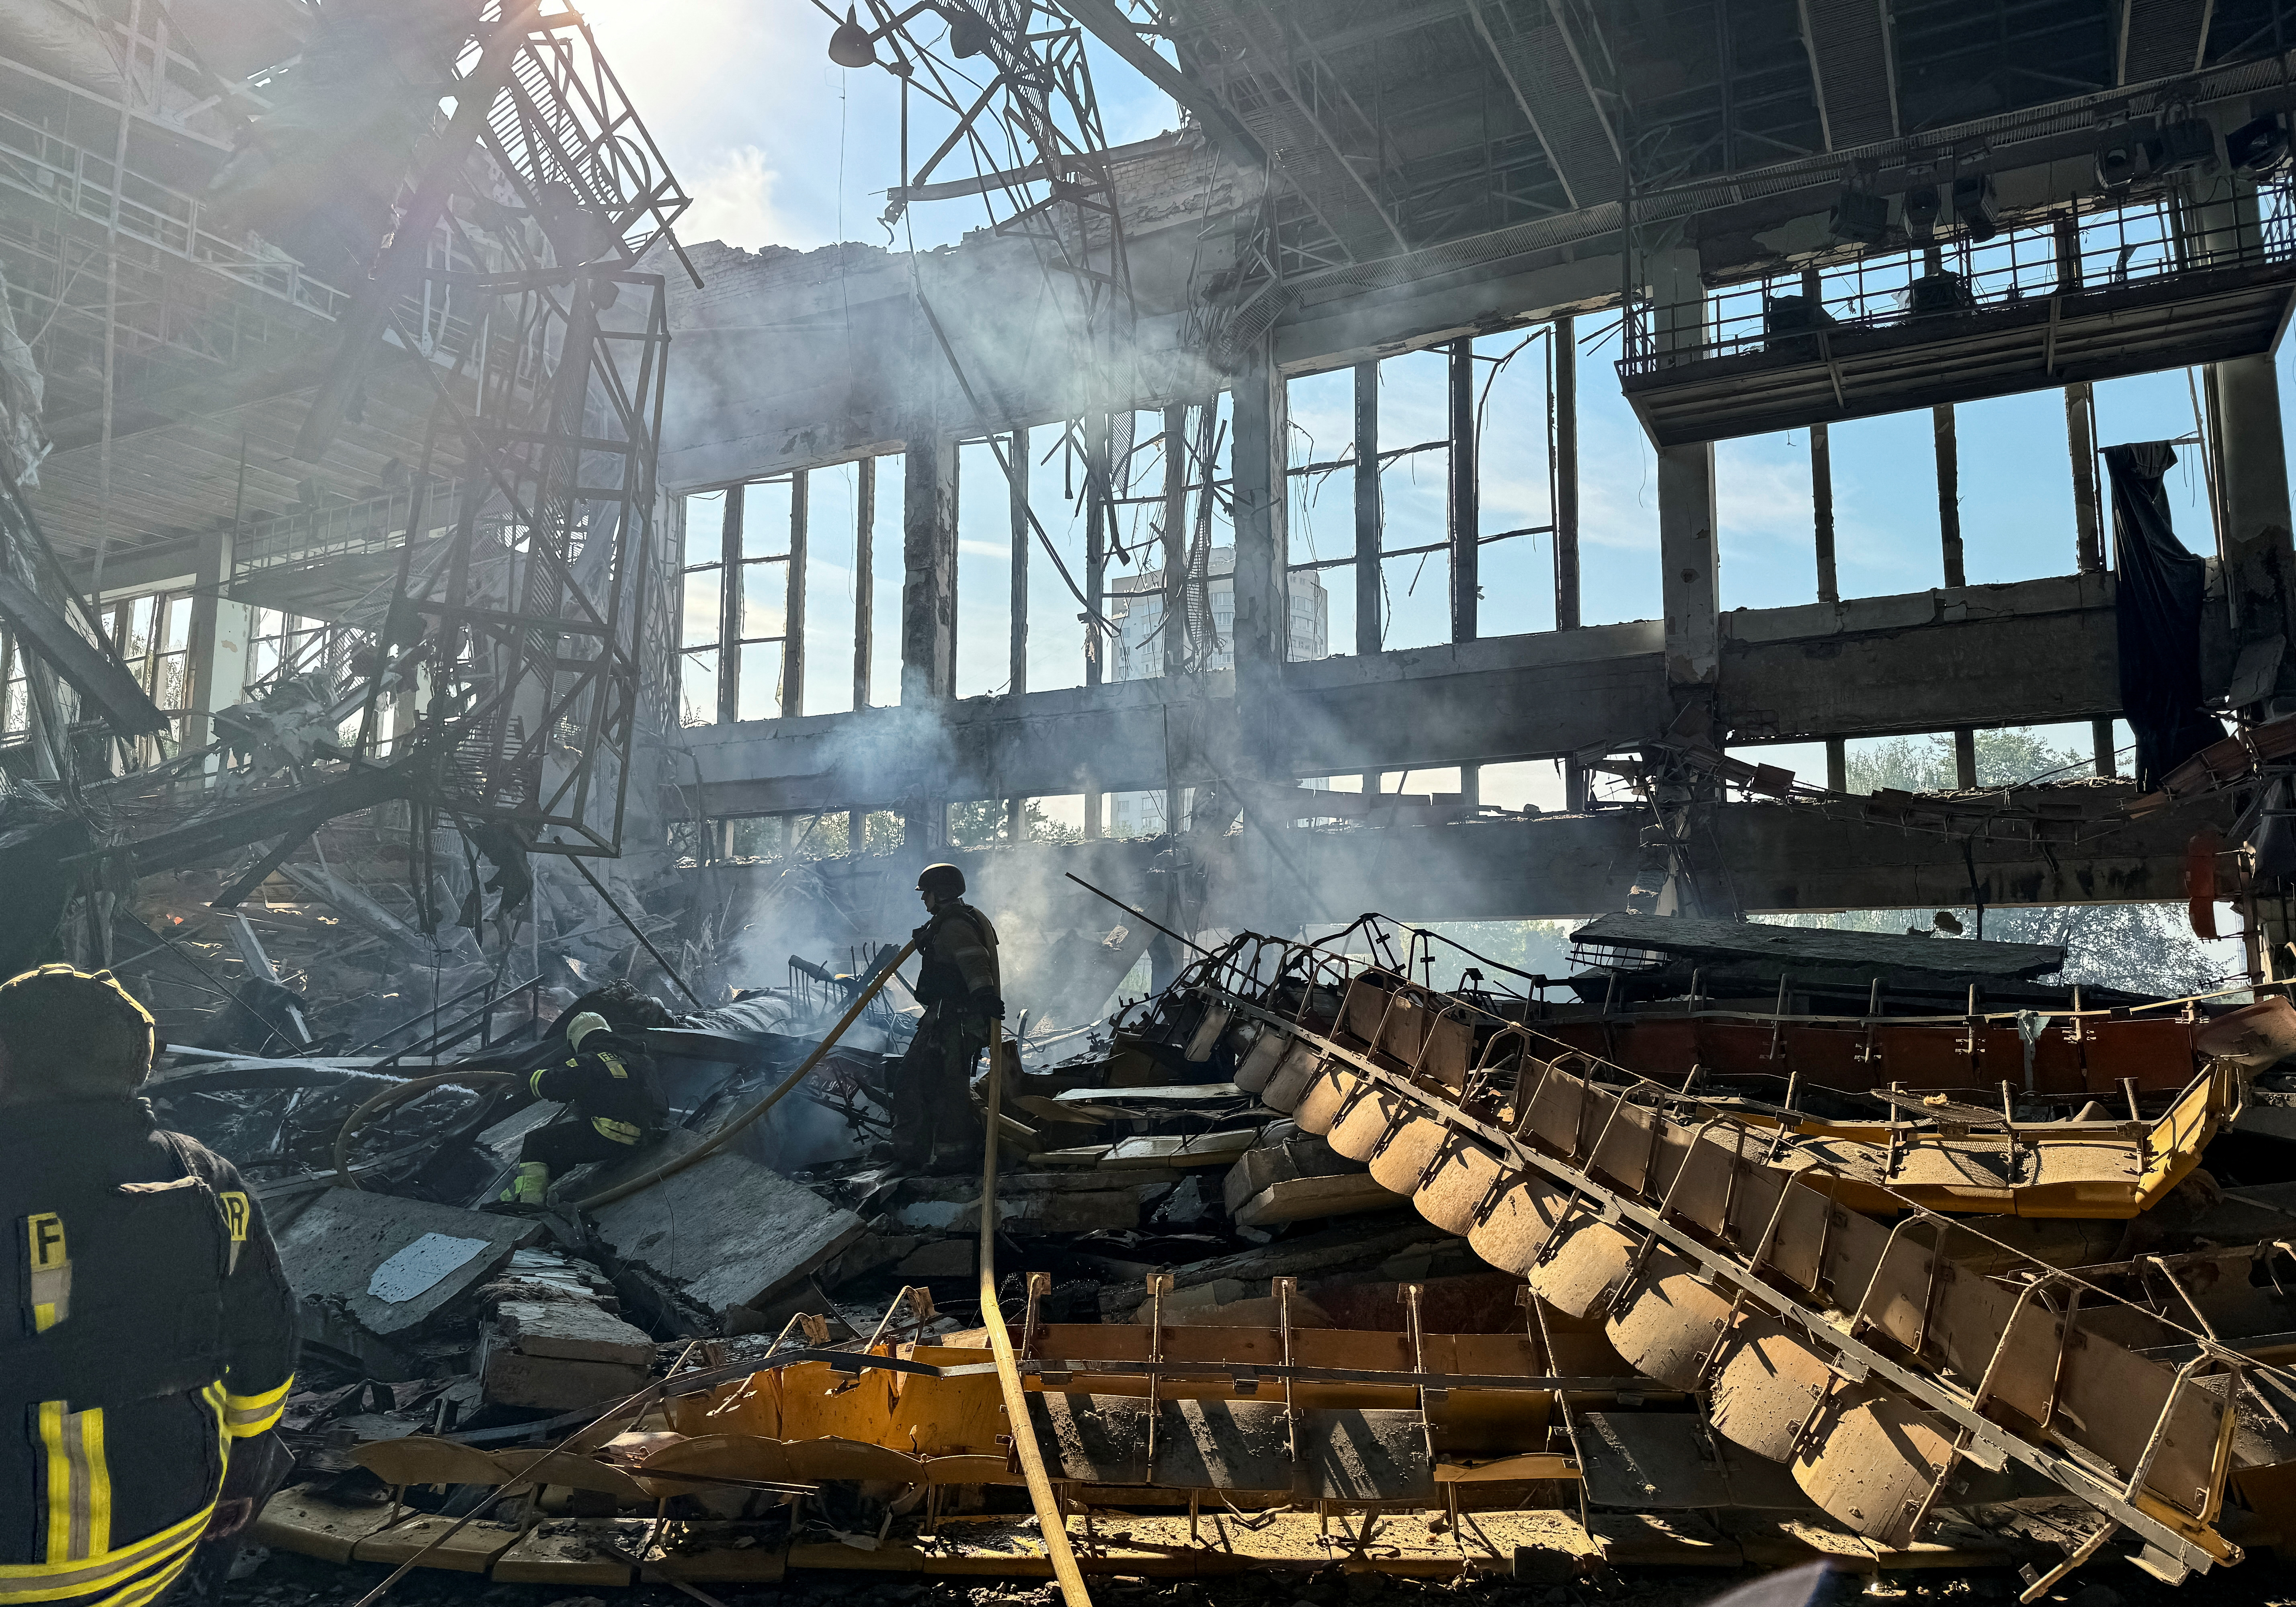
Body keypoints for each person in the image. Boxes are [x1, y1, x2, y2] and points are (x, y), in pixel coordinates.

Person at [0, 965, 298, 1607]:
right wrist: (245, 1463)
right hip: (168, 1534)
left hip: (23, 1561)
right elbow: (265, 1332)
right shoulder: (208, 1174)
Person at [504, 983, 669, 1205]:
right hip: (648, 1133)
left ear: (577, 1041)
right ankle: (530, 1191)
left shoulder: (590, 1059)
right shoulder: (641, 1058)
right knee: (561, 1147)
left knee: (538, 1142)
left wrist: (529, 1080)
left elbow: (559, 1084)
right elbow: (661, 1104)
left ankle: (528, 1204)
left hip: (608, 1134)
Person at [890, 863, 1003, 1171]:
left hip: (955, 1021)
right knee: (925, 1081)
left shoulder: (954, 926)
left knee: (932, 1084)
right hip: (944, 1018)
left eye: (926, 892)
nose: (923, 898)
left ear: (940, 893)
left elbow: (975, 961)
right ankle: (919, 1149)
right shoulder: (950, 922)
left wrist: (985, 997)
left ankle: (950, 1154)